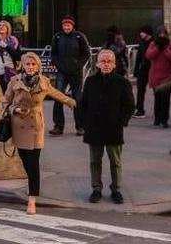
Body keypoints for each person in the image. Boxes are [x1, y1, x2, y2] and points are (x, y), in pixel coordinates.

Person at [3, 52, 77, 215]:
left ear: (38, 66)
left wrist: (71, 101)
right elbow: (5, 101)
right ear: (23, 65)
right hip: (19, 125)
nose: (30, 67)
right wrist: (14, 108)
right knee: (25, 161)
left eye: (33, 64)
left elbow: (56, 94)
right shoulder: (14, 81)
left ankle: (32, 199)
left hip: (36, 125)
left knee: (34, 163)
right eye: (28, 64)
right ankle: (33, 187)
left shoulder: (43, 81)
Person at [80, 49, 135, 204]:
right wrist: (85, 123)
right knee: (94, 161)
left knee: (115, 161)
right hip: (94, 128)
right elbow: (83, 104)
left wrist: (122, 121)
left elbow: (130, 105)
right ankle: (96, 188)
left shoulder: (122, 82)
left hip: (114, 128)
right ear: (97, 63)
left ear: (114, 64)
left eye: (109, 61)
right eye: (102, 61)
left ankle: (116, 189)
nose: (105, 64)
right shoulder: (90, 81)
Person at [49, 15, 90, 136]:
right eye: (64, 25)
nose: (66, 27)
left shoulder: (79, 36)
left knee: (77, 99)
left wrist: (79, 65)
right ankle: (58, 126)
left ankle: (80, 126)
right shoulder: (57, 37)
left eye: (68, 25)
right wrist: (57, 65)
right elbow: (53, 54)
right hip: (61, 72)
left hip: (76, 72)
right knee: (58, 98)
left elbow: (86, 53)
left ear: (72, 26)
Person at [146, 26, 171, 128]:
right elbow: (149, 55)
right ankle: (157, 119)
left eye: (164, 33)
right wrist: (158, 48)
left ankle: (164, 120)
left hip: (167, 77)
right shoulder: (153, 44)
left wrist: (165, 49)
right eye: (160, 33)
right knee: (157, 98)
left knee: (165, 99)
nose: (162, 35)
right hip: (155, 77)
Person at [133, 25, 154, 118]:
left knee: (157, 91)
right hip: (143, 70)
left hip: (153, 69)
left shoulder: (154, 43)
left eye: (142, 32)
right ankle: (140, 110)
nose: (141, 33)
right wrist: (136, 71)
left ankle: (159, 112)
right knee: (140, 90)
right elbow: (138, 58)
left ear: (148, 33)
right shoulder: (142, 43)